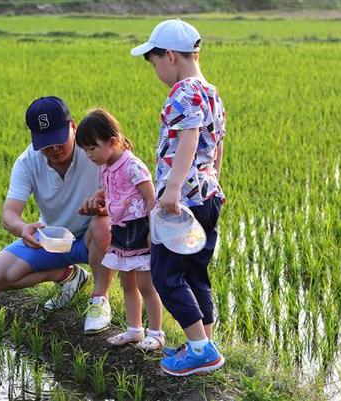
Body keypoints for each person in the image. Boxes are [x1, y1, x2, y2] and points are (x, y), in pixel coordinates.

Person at [131, 19, 227, 375]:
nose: (155, 69)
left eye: (154, 62)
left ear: (169, 55)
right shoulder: (211, 92)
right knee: (195, 272)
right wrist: (214, 184)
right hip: (207, 195)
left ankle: (201, 351)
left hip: (182, 201)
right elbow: (217, 147)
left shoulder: (183, 93)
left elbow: (188, 138)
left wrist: (172, 191)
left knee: (165, 275)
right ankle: (202, 342)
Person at [0, 96, 113, 334]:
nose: (53, 150)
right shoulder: (27, 162)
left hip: (93, 238)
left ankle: (99, 299)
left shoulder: (95, 151)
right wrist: (23, 229)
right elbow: (9, 214)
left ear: (72, 126)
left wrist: (105, 204)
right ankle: (70, 277)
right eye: (45, 144)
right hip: (54, 239)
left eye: (58, 140)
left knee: (103, 224)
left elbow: (126, 185)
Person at [75, 108, 165, 351]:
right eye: (85, 150)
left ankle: (156, 333)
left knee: (147, 285)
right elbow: (112, 191)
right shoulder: (106, 167)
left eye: (92, 148)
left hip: (140, 229)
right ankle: (134, 330)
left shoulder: (133, 166)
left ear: (112, 142)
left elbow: (150, 198)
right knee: (128, 284)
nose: (89, 155)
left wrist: (152, 230)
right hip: (121, 230)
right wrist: (97, 196)